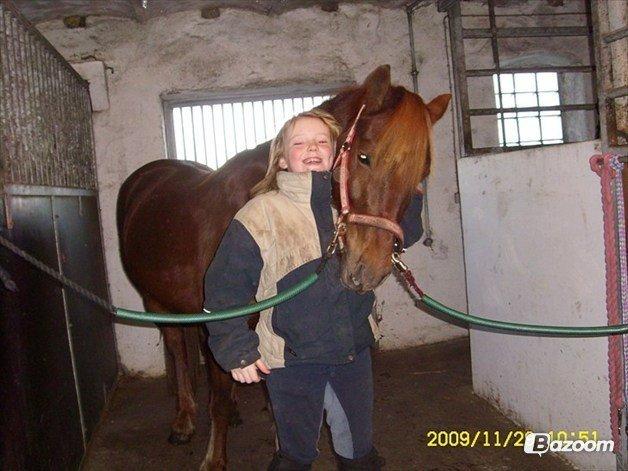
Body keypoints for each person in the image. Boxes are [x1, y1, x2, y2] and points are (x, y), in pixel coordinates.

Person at [203, 108, 424, 470]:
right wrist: (234, 348)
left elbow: (405, 235)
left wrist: (412, 189)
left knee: (359, 451)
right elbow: (223, 290)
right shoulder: (261, 213)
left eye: (323, 141)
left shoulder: (354, 205)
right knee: (296, 455)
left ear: (339, 154)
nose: (312, 148)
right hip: (291, 360)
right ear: (281, 158)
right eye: (300, 142)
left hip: (352, 351)